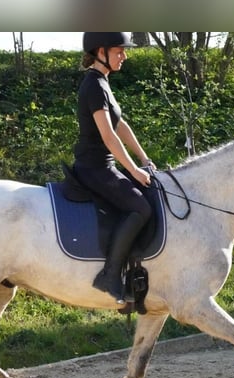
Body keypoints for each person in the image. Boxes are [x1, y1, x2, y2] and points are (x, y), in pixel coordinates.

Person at [73, 32, 155, 305]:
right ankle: (109, 276)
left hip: (103, 165)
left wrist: (144, 159)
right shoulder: (93, 85)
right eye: (119, 51)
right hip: (93, 167)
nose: (125, 56)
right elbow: (109, 136)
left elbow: (121, 126)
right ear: (101, 51)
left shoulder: (103, 83)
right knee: (140, 207)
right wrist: (133, 170)